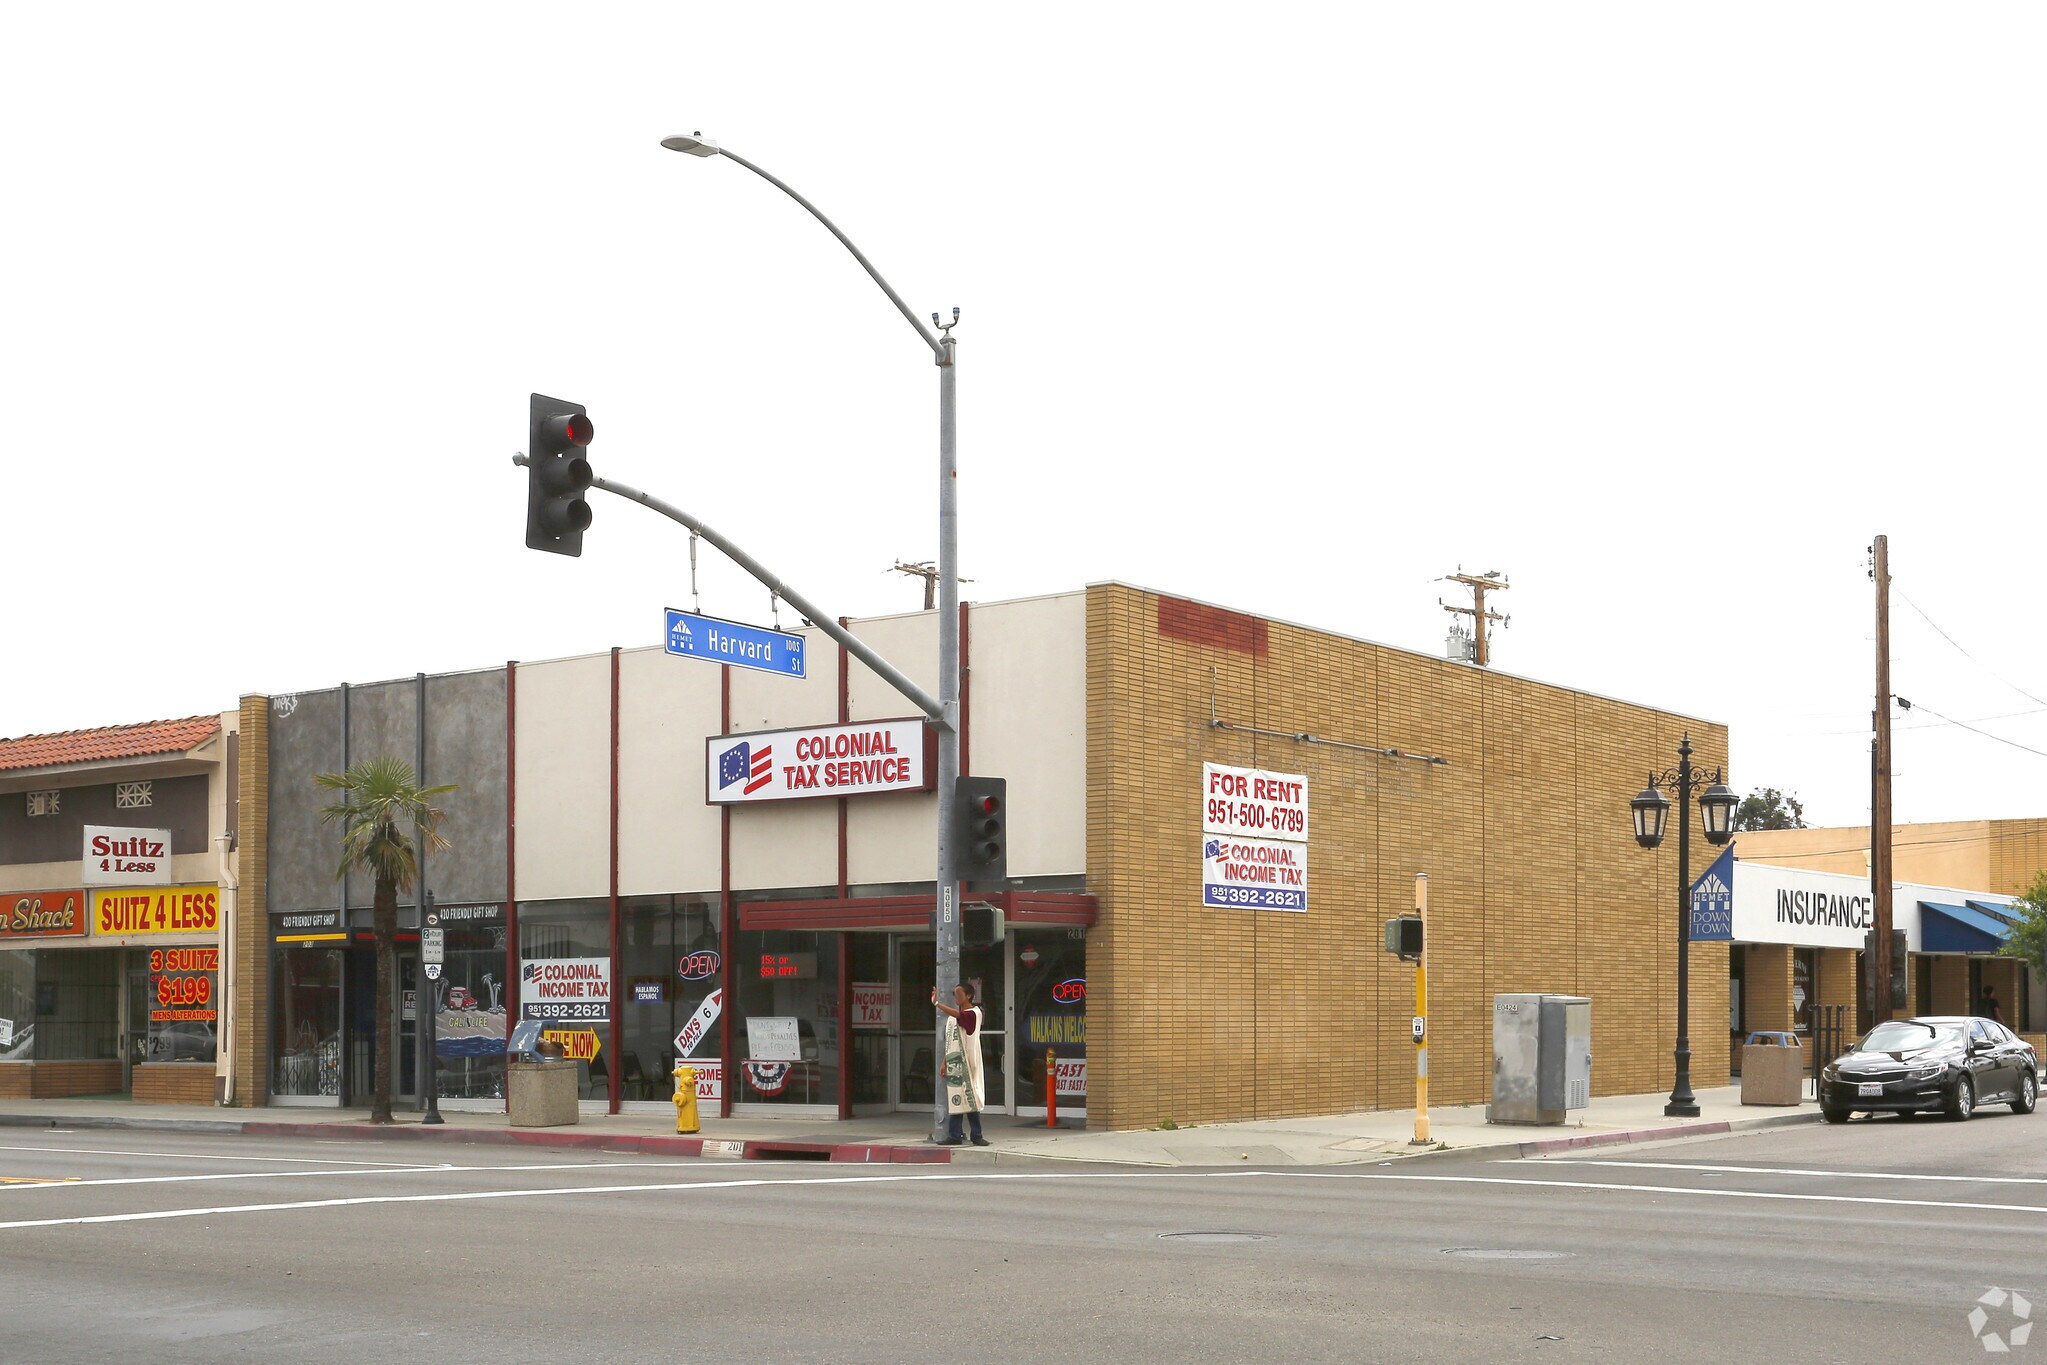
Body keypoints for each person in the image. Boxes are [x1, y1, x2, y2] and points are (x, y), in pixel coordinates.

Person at [932, 983, 989, 1146]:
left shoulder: (974, 1013)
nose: (955, 997)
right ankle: (955, 1135)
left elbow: (961, 1016)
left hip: (970, 1061)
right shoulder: (953, 1018)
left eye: (958, 994)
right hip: (955, 1061)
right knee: (956, 1098)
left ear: (968, 996)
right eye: (954, 994)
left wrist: (937, 1004)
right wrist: (944, 1062)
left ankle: (977, 1135)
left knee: (971, 1097)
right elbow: (951, 1042)